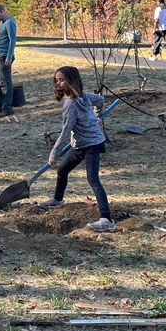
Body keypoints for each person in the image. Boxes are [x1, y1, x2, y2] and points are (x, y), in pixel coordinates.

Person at [40, 66, 116, 232]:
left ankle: (106, 219)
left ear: (72, 80)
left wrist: (54, 152)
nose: (58, 83)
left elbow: (66, 131)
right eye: (56, 80)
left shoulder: (71, 104)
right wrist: (96, 114)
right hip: (80, 144)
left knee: (92, 179)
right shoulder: (82, 95)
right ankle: (58, 200)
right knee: (62, 170)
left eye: (62, 80)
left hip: (92, 144)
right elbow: (100, 100)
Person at [0, 4, 17, 117]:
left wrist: (9, 57)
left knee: (5, 82)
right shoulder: (1, 23)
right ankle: (0, 105)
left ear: (1, 11)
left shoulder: (10, 22)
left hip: (5, 57)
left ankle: (7, 108)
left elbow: (12, 40)